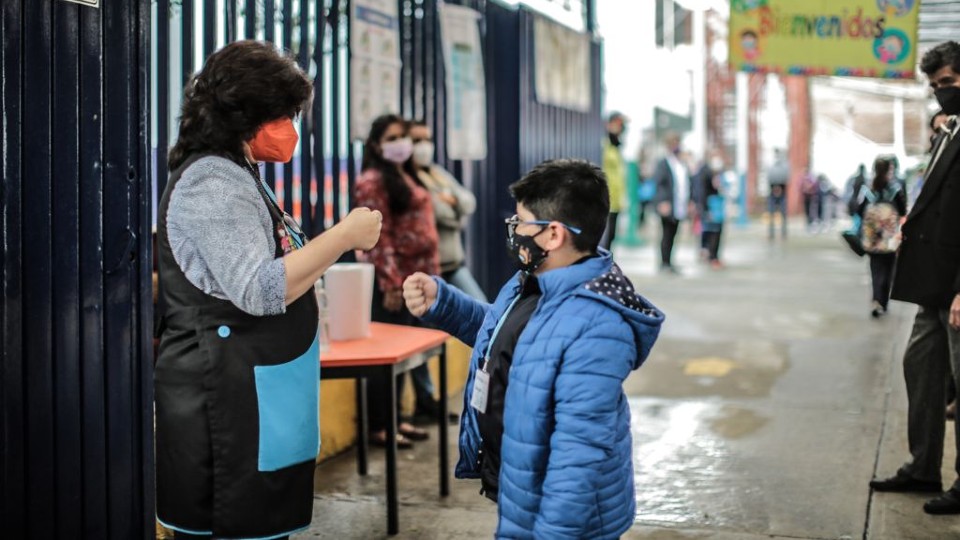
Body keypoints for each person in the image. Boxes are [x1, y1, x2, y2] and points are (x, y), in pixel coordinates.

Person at [155, 41, 383, 539]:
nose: (290, 127)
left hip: (256, 391)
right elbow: (259, 289)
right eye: (281, 114)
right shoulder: (212, 182)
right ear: (244, 115)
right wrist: (342, 237)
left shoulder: (238, 172)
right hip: (226, 401)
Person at [402, 159, 664, 538]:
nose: (514, 230)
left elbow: (577, 461)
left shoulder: (597, 327)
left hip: (564, 518)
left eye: (521, 222)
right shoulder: (534, 279)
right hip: (523, 486)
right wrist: (442, 303)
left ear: (554, 234)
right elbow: (508, 343)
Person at [869, 40, 960, 515]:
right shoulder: (948, 128)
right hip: (934, 284)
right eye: (935, 86)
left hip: (958, 286)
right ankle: (924, 465)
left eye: (948, 83)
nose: (942, 93)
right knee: (919, 365)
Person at [355, 114, 439, 447]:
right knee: (383, 355)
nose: (401, 143)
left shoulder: (407, 175)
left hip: (415, 279)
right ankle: (380, 425)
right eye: (392, 138)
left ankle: (397, 419)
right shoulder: (373, 181)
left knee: (402, 353)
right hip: (394, 281)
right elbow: (379, 236)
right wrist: (390, 282)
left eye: (403, 136)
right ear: (376, 145)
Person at [409, 120, 486, 302]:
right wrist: (457, 212)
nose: (423, 146)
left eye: (427, 139)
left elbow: (469, 201)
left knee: (481, 307)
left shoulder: (436, 173)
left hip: (454, 264)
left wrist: (454, 202)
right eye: (417, 140)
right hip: (430, 269)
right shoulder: (410, 182)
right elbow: (441, 214)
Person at [855, 157, 906, 318]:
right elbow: (903, 210)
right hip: (889, 239)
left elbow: (858, 210)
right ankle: (883, 302)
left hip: (872, 238)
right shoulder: (895, 189)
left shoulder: (868, 190)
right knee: (888, 270)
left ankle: (876, 300)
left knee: (875, 270)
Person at [653, 132, 694, 274]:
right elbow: (659, 184)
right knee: (666, 234)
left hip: (679, 205)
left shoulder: (681, 163)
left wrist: (689, 202)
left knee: (674, 234)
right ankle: (664, 263)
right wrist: (662, 202)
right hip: (668, 205)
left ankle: (670, 261)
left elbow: (687, 183)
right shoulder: (663, 164)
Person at [600, 112, 627, 250]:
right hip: (605, 198)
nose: (620, 127)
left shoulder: (617, 146)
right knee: (604, 236)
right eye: (617, 124)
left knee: (611, 235)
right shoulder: (603, 144)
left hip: (615, 200)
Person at [696, 152, 727, 269]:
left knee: (715, 231)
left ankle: (713, 255)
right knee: (711, 232)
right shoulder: (706, 173)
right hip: (710, 206)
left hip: (717, 206)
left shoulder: (719, 174)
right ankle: (711, 256)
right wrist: (704, 208)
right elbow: (702, 192)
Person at [767, 149, 790, 240]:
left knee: (783, 214)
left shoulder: (785, 166)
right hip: (773, 190)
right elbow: (769, 177)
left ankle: (783, 233)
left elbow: (786, 177)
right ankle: (771, 233)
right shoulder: (771, 165)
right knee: (771, 213)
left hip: (782, 191)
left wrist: (780, 187)